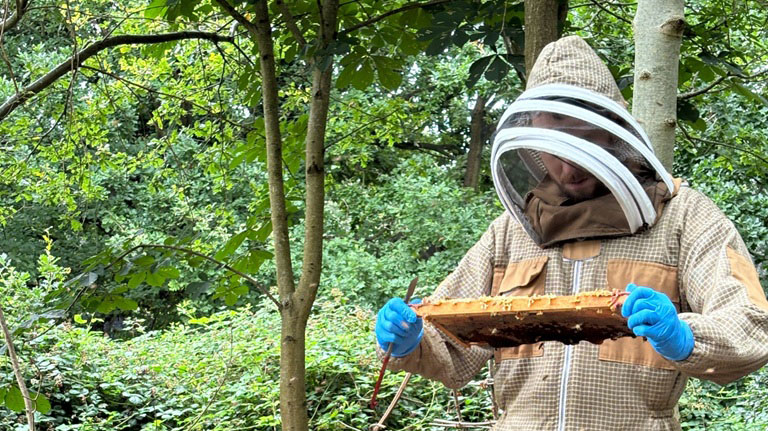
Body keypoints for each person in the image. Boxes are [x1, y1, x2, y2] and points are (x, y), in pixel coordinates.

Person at [374, 35, 768, 431]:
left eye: (583, 143)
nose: (569, 168)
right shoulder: (511, 232)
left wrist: (685, 337)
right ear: (532, 139)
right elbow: (453, 351)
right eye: (555, 149)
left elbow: (751, 324)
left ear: (614, 133)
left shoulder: (684, 216)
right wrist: (410, 340)